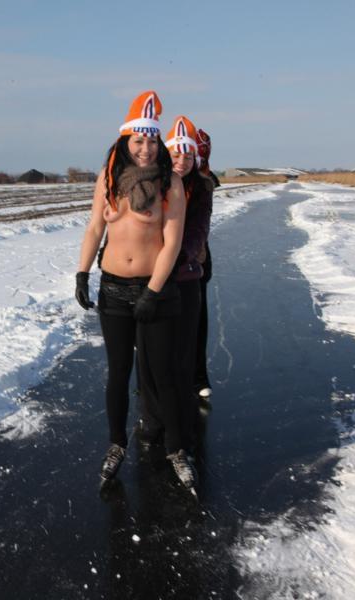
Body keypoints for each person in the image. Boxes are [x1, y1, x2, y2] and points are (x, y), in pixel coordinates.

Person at [75, 91, 186, 486]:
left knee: (161, 375)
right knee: (118, 372)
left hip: (152, 289)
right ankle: (116, 443)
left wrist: (153, 292)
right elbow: (94, 228)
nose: (145, 148)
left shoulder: (169, 182)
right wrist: (82, 273)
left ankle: (176, 447)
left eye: (152, 140)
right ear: (126, 141)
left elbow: (172, 242)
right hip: (113, 291)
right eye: (138, 140)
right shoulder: (108, 178)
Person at [135, 115, 213, 488]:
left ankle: (180, 426)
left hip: (182, 280)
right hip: (150, 280)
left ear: (195, 159)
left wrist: (171, 262)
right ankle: (152, 417)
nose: (181, 160)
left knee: (180, 355)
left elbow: (196, 232)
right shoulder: (155, 182)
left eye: (187, 155)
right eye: (176, 154)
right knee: (149, 355)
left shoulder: (201, 187)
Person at [194, 128, 219, 400]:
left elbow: (201, 227)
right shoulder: (166, 176)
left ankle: (198, 374)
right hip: (160, 260)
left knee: (197, 319)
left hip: (196, 259)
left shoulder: (205, 182)